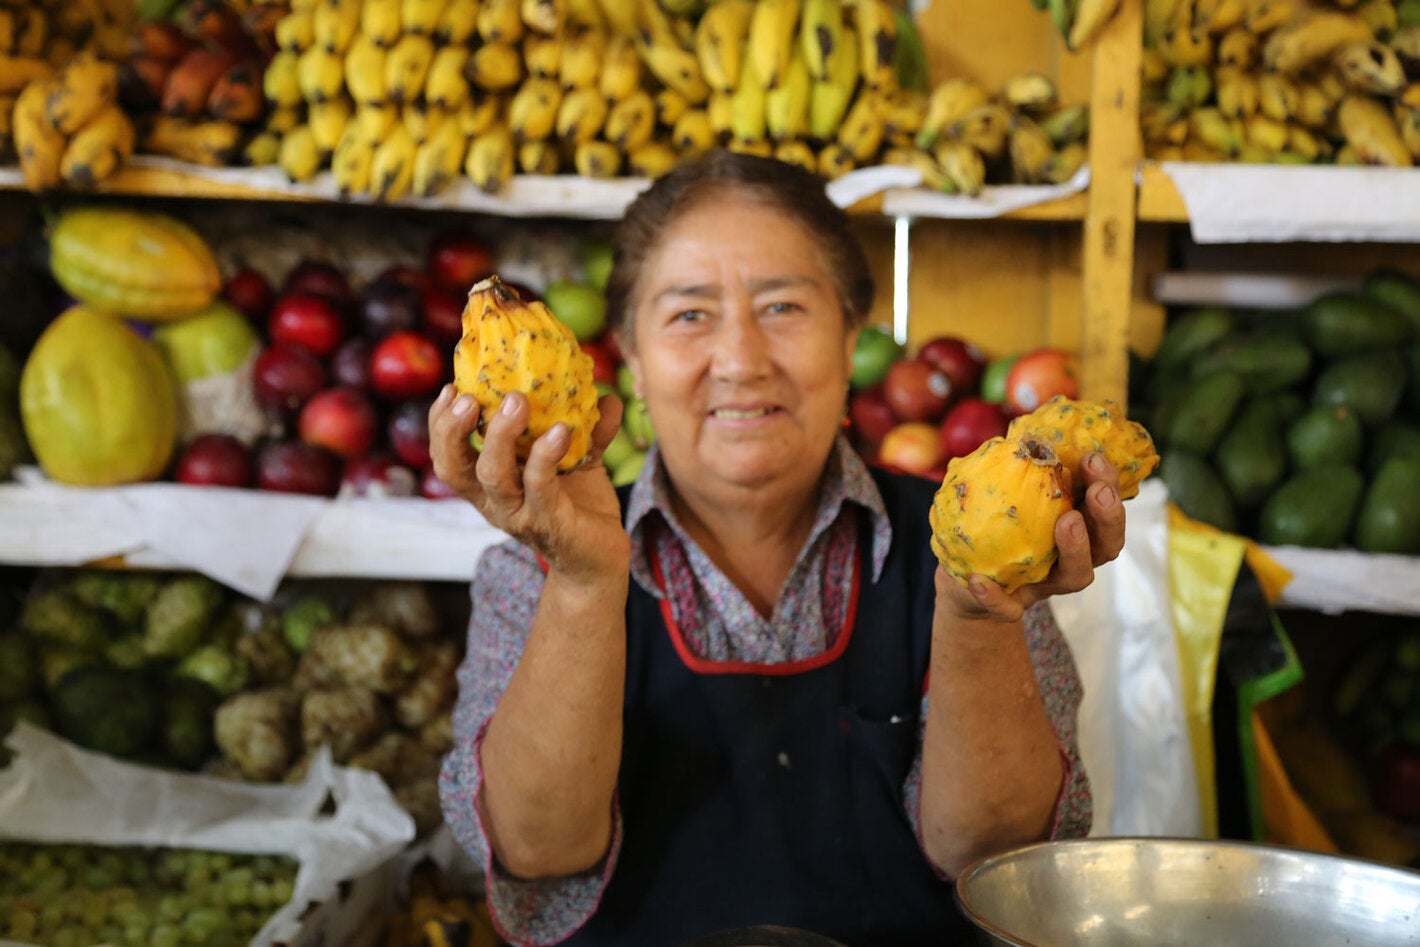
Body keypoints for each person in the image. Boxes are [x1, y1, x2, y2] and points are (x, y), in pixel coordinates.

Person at [429, 150, 1126, 947]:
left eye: (784, 306)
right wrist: (585, 585)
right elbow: (541, 850)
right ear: (629, 355)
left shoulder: (976, 545)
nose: (740, 360)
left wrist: (977, 618)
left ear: (849, 335)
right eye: (689, 314)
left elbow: (994, 857)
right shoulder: (537, 565)